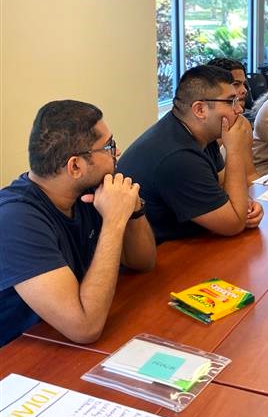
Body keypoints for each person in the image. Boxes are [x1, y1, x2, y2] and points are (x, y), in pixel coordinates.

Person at [0, 100, 156, 347]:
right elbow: (84, 328)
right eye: (109, 146)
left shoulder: (89, 191)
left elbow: (143, 263)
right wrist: (114, 221)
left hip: (64, 342)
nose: (117, 152)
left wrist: (133, 210)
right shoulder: (15, 220)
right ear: (75, 166)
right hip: (20, 359)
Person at [118, 65, 263, 244]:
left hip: (193, 239)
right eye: (230, 101)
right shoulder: (177, 156)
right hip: (163, 258)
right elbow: (234, 224)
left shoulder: (198, 132)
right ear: (200, 109)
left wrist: (247, 204)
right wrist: (234, 151)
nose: (239, 110)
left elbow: (223, 184)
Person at [207, 56, 259, 182]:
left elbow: (249, 175)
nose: (244, 90)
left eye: (244, 84)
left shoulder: (242, 124)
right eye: (236, 84)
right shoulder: (200, 128)